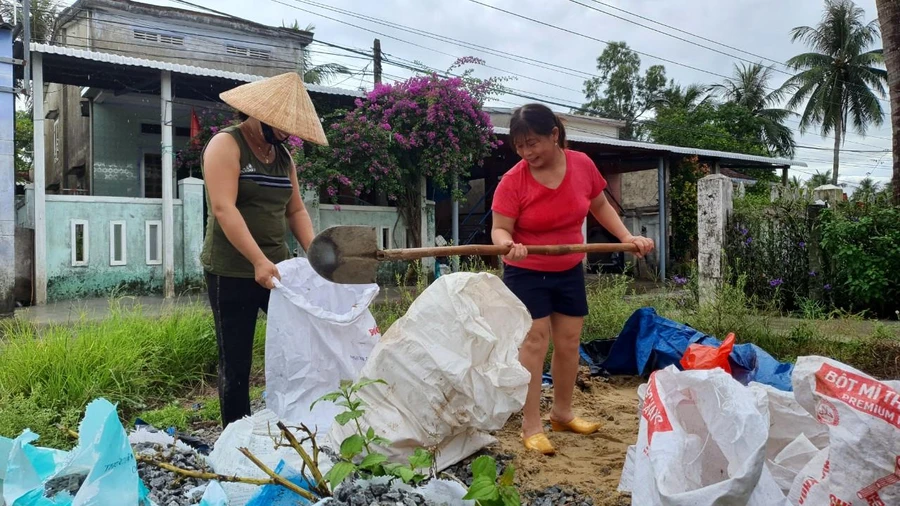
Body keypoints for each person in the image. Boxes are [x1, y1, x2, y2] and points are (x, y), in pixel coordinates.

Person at [491, 103, 654, 455]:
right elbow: (499, 229)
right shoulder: (513, 181)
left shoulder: (581, 165)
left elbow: (600, 206)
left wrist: (627, 238)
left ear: (554, 135)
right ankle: (531, 425)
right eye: (519, 146)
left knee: (569, 341)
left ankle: (562, 413)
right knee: (534, 344)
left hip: (568, 269)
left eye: (532, 143)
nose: (526, 152)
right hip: (526, 271)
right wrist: (509, 246)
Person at [200, 72, 328, 427]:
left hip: (278, 272)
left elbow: (296, 209)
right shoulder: (226, 145)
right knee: (236, 361)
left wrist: (315, 252)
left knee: (296, 348)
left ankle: (294, 421)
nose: (288, 134)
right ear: (259, 115)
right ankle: (235, 436)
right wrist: (257, 260)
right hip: (233, 270)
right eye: (283, 125)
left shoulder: (283, 156)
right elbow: (224, 208)